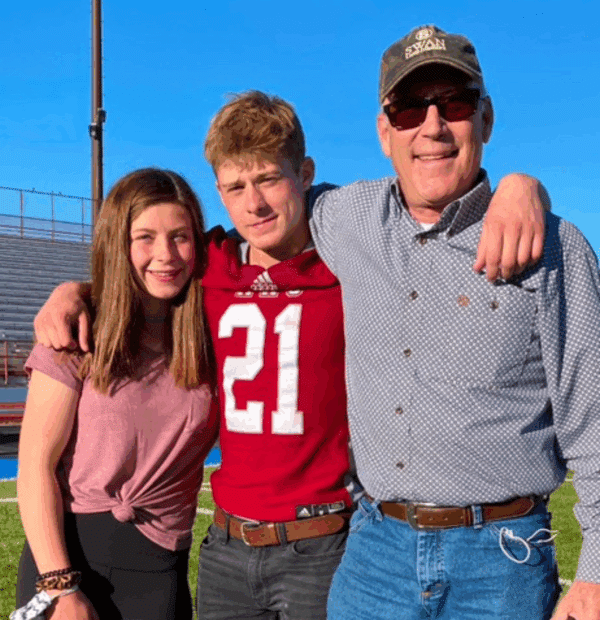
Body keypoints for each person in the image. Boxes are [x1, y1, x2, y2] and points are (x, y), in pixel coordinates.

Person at [32, 92, 548, 620]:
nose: (254, 203)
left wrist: (518, 186)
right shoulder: (208, 265)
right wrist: (77, 291)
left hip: (322, 543)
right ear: (219, 193)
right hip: (228, 548)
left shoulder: (351, 259)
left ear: (305, 173)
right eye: (236, 187)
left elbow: (430, 219)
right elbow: (147, 275)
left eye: (269, 180)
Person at [306, 24, 600, 620]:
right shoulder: (345, 217)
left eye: (454, 104)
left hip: (503, 564)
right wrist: (84, 291)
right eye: (410, 108)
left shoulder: (555, 248)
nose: (433, 126)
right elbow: (265, 207)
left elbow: (594, 421)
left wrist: (595, 573)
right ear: (385, 132)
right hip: (375, 557)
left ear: (485, 120)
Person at [14, 169, 218, 620]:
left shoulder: (209, 335)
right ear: (116, 244)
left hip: (161, 570)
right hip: (69, 564)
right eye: (144, 237)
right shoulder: (77, 333)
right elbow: (34, 468)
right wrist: (60, 588)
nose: (165, 255)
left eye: (180, 236)